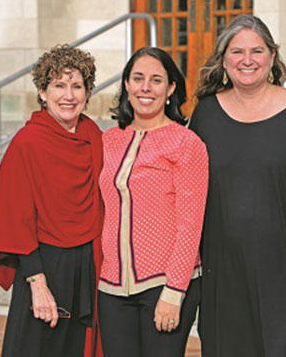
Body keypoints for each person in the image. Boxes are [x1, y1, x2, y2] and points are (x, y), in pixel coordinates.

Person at [190, 14, 286, 357]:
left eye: (256, 50)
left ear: (272, 57)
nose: (247, 60)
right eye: (237, 51)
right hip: (222, 272)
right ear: (223, 59)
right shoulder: (205, 114)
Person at [0, 44, 104, 356]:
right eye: (59, 86)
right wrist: (38, 284)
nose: (69, 96)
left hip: (88, 263)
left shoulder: (93, 135)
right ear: (42, 91)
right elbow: (16, 219)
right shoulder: (27, 143)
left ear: (88, 92)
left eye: (77, 86)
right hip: (42, 264)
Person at [97, 47, 208, 357]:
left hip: (163, 286)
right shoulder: (109, 140)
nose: (145, 87)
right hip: (112, 288)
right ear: (127, 85)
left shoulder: (186, 143)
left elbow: (191, 225)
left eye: (156, 80)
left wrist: (174, 292)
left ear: (171, 88)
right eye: (138, 78)